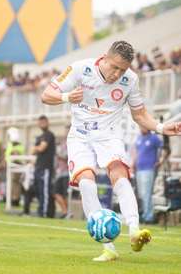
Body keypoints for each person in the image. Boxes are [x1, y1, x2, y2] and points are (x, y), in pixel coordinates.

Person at [41, 40, 181, 261]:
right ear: (104, 57)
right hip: (80, 138)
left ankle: (135, 231)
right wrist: (66, 97)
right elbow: (46, 94)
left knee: (120, 174)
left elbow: (140, 115)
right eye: (114, 67)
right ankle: (108, 248)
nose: (117, 74)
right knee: (87, 183)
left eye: (122, 69)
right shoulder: (80, 69)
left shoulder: (130, 80)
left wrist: (162, 128)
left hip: (109, 136)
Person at [132, 126, 162, 223]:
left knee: (147, 193)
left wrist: (160, 160)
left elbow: (163, 148)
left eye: (143, 127)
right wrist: (133, 163)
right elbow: (136, 152)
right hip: (139, 169)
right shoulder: (139, 138)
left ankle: (149, 216)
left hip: (149, 169)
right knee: (141, 193)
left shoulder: (154, 138)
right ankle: (145, 214)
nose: (141, 128)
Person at [32, 115, 56, 218]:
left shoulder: (49, 135)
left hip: (46, 167)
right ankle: (41, 210)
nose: (42, 124)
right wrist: (37, 147)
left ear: (47, 122)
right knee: (38, 190)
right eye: (40, 122)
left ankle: (44, 212)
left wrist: (37, 147)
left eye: (44, 122)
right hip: (38, 166)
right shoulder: (40, 136)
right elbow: (33, 151)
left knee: (45, 191)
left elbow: (41, 148)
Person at [5, 127, 25, 206]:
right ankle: (11, 198)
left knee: (15, 182)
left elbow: (15, 155)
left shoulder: (18, 145)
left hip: (15, 165)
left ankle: (15, 199)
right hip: (10, 165)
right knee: (13, 182)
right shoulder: (11, 144)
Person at [54, 126, 69, 219]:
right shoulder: (63, 143)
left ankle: (66, 212)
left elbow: (68, 157)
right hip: (60, 173)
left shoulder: (73, 143)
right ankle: (65, 211)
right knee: (56, 193)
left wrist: (59, 156)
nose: (66, 133)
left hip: (67, 173)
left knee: (65, 194)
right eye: (66, 131)